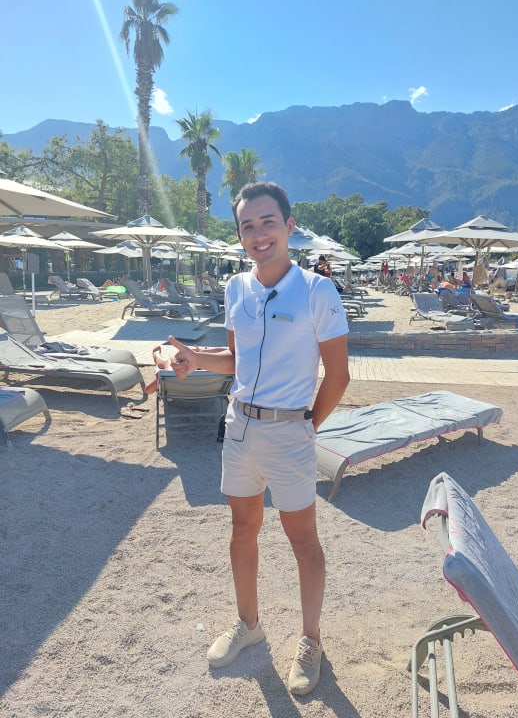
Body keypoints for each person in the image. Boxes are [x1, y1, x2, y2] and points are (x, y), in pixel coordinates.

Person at [167, 182, 350, 695]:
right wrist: (196, 360)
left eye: (268, 222)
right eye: (247, 225)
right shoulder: (235, 288)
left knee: (303, 540)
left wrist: (307, 425)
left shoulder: (317, 291)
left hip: (290, 431)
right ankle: (249, 625)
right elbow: (237, 360)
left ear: (289, 227)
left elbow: (338, 376)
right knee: (242, 529)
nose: (258, 233)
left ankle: (311, 639)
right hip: (240, 427)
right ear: (240, 235)